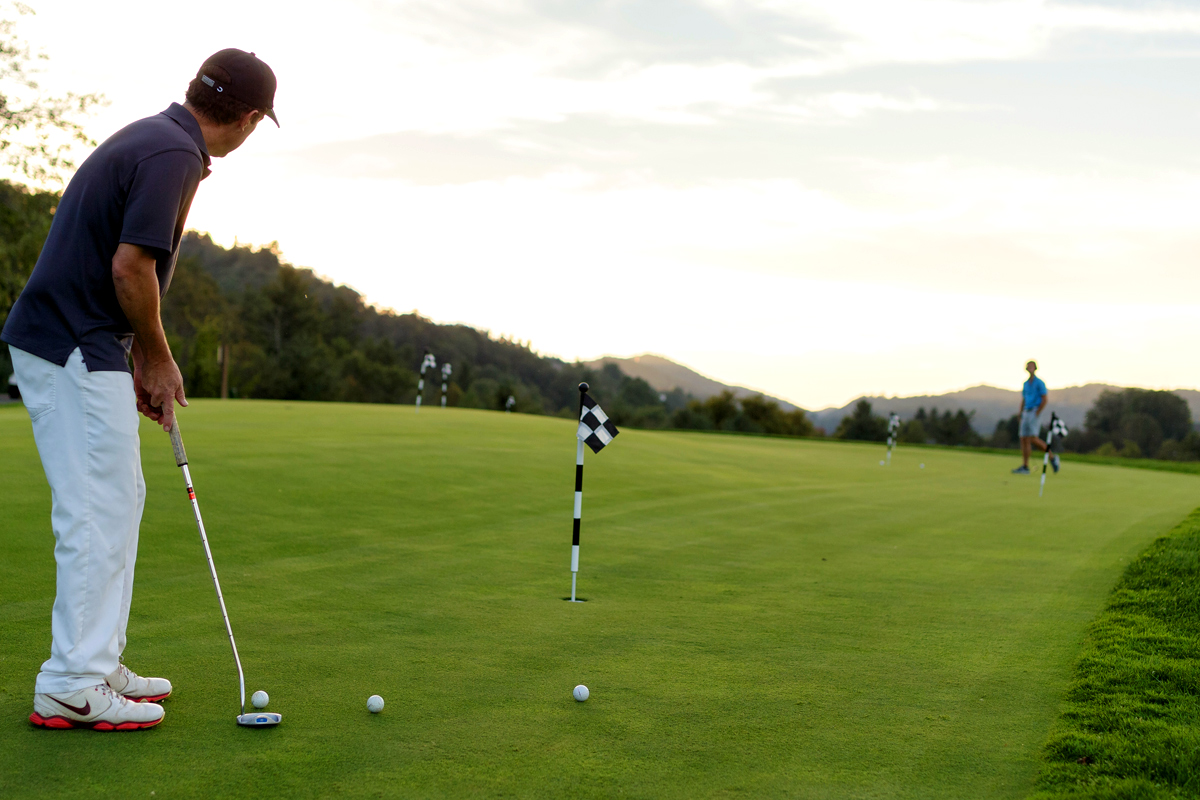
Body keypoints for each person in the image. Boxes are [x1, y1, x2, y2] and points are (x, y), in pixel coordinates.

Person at [1, 50, 278, 731]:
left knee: (119, 499)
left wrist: (129, 360)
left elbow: (114, 266)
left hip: (81, 342)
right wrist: (155, 358)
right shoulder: (173, 154)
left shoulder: (156, 137)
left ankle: (96, 662)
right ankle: (71, 680)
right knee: (96, 509)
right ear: (247, 119)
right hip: (69, 342)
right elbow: (131, 268)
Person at [1012, 360, 1059, 475]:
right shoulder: (1026, 384)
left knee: (1033, 438)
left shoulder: (1039, 383)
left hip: (1034, 411)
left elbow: (1045, 398)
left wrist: (1038, 412)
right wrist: (1020, 412)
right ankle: (1025, 466)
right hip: (1026, 412)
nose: (1030, 368)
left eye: (1032, 366)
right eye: (1028, 366)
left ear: (1035, 368)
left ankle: (1052, 458)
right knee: (1023, 439)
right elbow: (1024, 399)